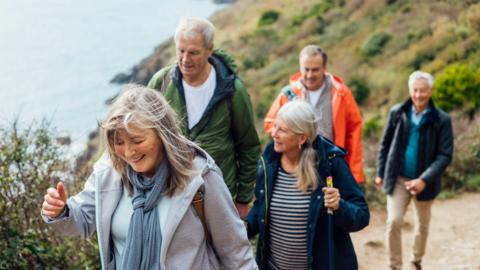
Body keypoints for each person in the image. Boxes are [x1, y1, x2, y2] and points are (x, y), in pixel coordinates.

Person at [41, 85, 258, 270]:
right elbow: (81, 221)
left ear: (162, 134)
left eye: (136, 140)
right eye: (119, 142)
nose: (128, 152)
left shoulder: (199, 177)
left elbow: (235, 252)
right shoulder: (109, 172)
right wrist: (61, 211)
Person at [147, 16, 261, 218]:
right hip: (171, 196)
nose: (185, 59)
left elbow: (248, 147)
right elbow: (143, 133)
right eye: (181, 51)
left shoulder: (233, 90)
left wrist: (243, 200)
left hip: (218, 197)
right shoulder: (161, 83)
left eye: (193, 53)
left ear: (210, 50)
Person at [247, 100, 369, 270]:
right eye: (274, 126)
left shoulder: (331, 164)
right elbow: (261, 208)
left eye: (282, 129)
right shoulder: (269, 161)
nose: (273, 133)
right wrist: (243, 227)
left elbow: (362, 216)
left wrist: (339, 206)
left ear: (302, 137)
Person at [375, 71, 454, 270]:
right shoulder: (397, 112)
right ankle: (395, 266)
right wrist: (380, 171)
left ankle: (416, 260)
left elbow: (445, 155)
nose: (418, 95)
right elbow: (384, 144)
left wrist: (424, 179)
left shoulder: (442, 119)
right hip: (398, 178)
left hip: (425, 182)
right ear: (410, 90)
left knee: (423, 225)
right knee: (393, 222)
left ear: (431, 91)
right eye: (415, 90)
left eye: (423, 91)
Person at [263, 45, 364, 184]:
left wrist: (355, 172)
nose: (310, 75)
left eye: (315, 70)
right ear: (300, 67)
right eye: (306, 69)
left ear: (324, 68)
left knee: (329, 204)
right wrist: (291, 135)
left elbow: (354, 132)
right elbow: (270, 123)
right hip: (295, 167)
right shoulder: (287, 94)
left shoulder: (341, 93)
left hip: (330, 166)